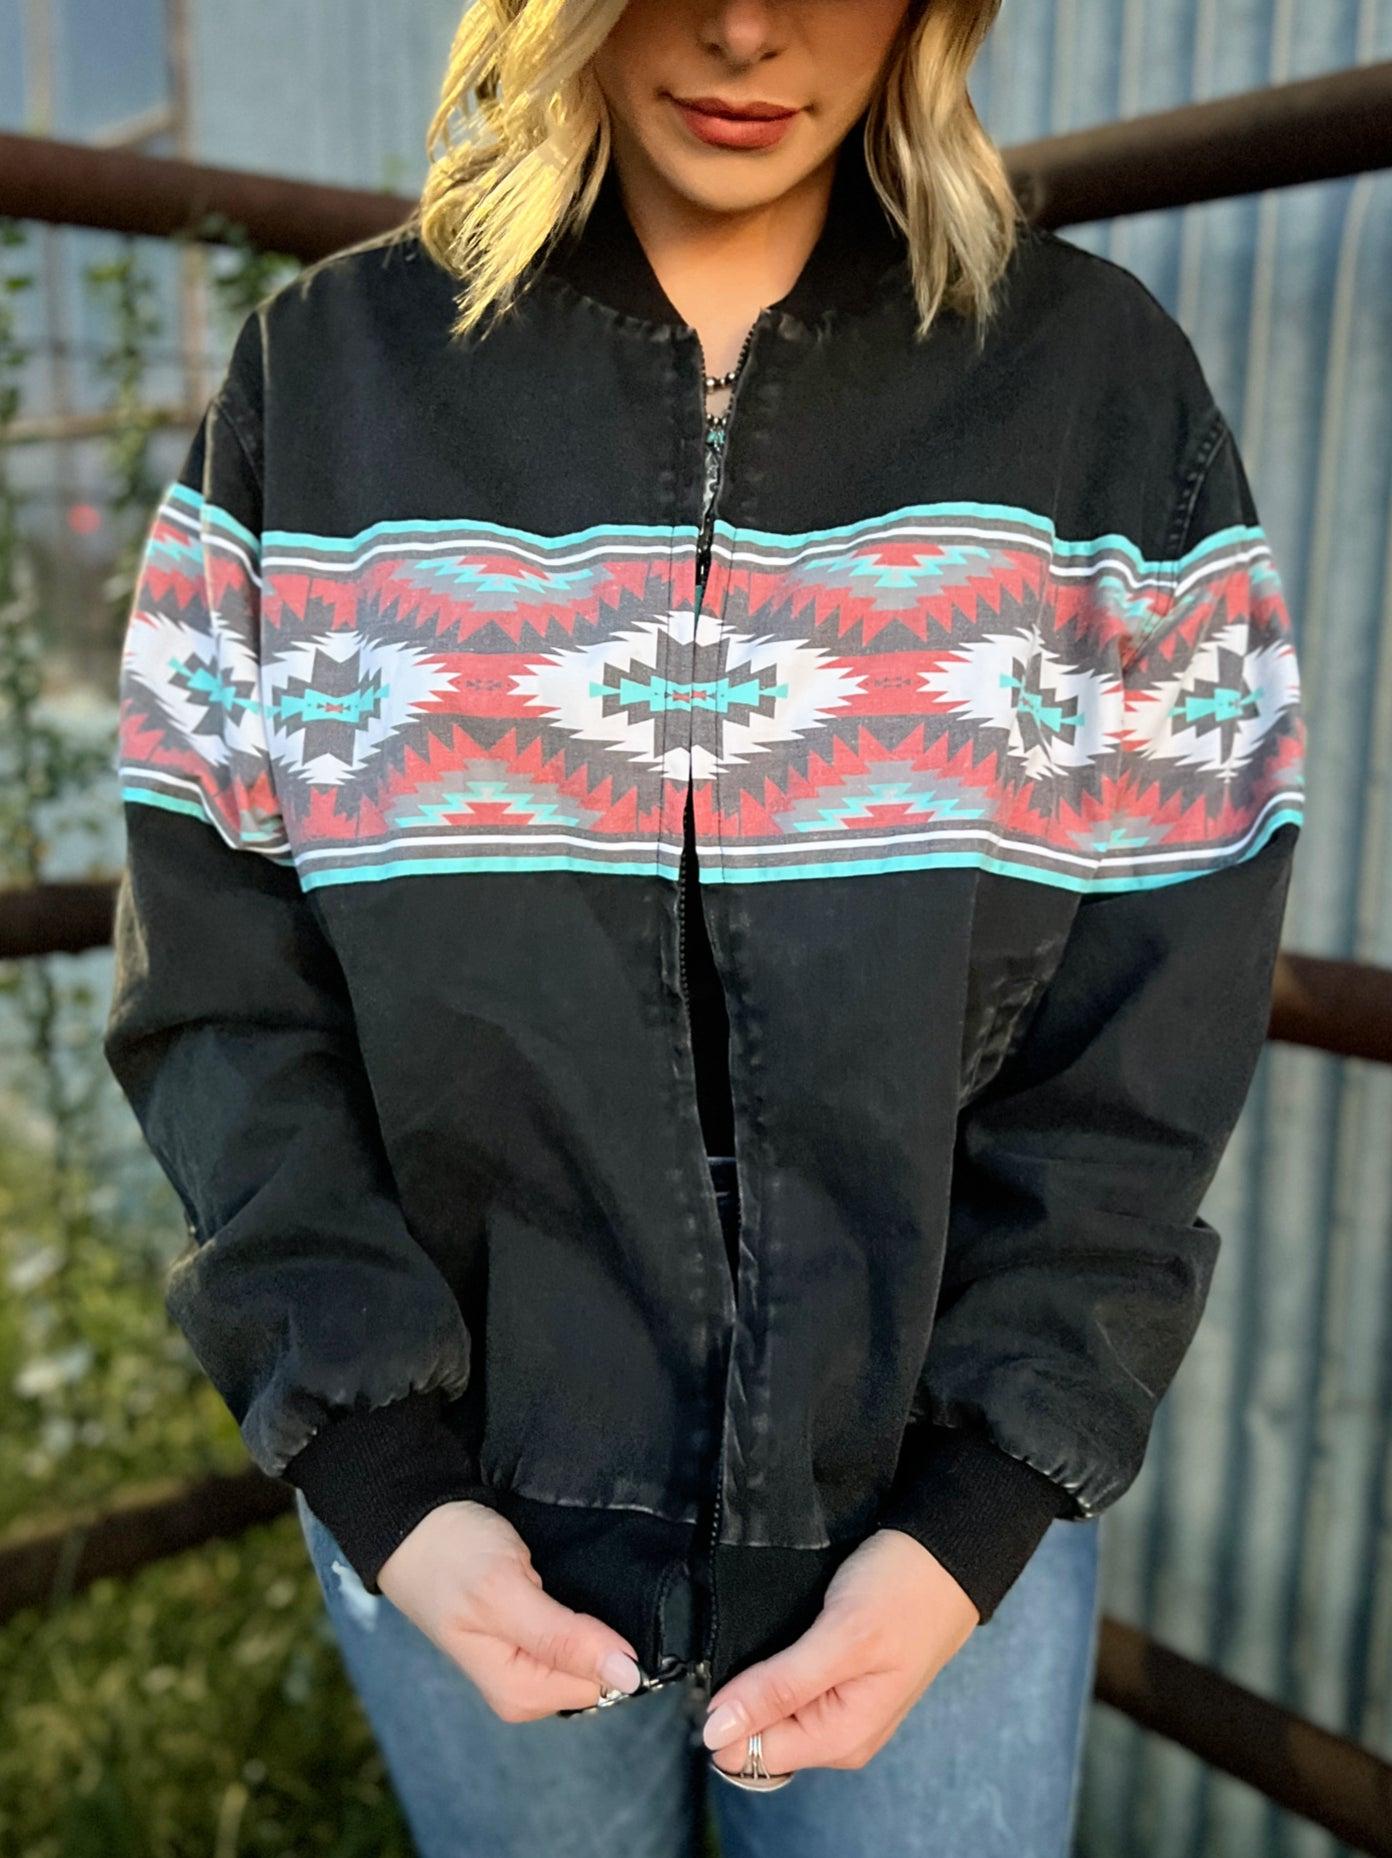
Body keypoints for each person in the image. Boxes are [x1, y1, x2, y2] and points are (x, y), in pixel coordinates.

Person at [103, 1, 1306, 1853]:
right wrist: (385, 1470)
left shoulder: (1096, 389)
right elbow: (216, 971)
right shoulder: (325, 380)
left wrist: (980, 1503)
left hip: (931, 1531)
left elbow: (1161, 1004)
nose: (748, 26)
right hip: (457, 1522)